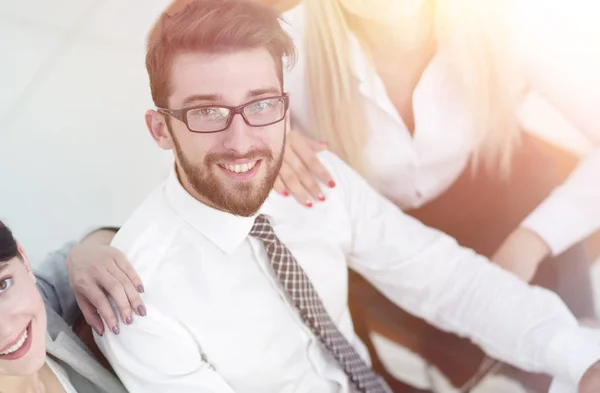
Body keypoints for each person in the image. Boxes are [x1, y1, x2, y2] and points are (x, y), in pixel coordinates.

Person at [53, 0, 600, 392]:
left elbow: (447, 279)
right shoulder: (139, 303)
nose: (241, 140)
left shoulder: (312, 181)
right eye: (207, 112)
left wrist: (582, 359)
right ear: (159, 129)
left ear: (287, 109)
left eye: (261, 104)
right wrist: (96, 240)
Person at [237, 0, 600, 388]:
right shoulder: (281, 47)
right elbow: (182, 76)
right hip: (376, 233)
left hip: (504, 196)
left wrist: (534, 238)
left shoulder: (508, 19)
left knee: (561, 355)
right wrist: (256, 131)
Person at [0, 220, 126, 393]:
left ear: (25, 264)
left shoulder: (41, 302)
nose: (6, 330)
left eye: (2, 285)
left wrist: (83, 254)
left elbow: (103, 237)